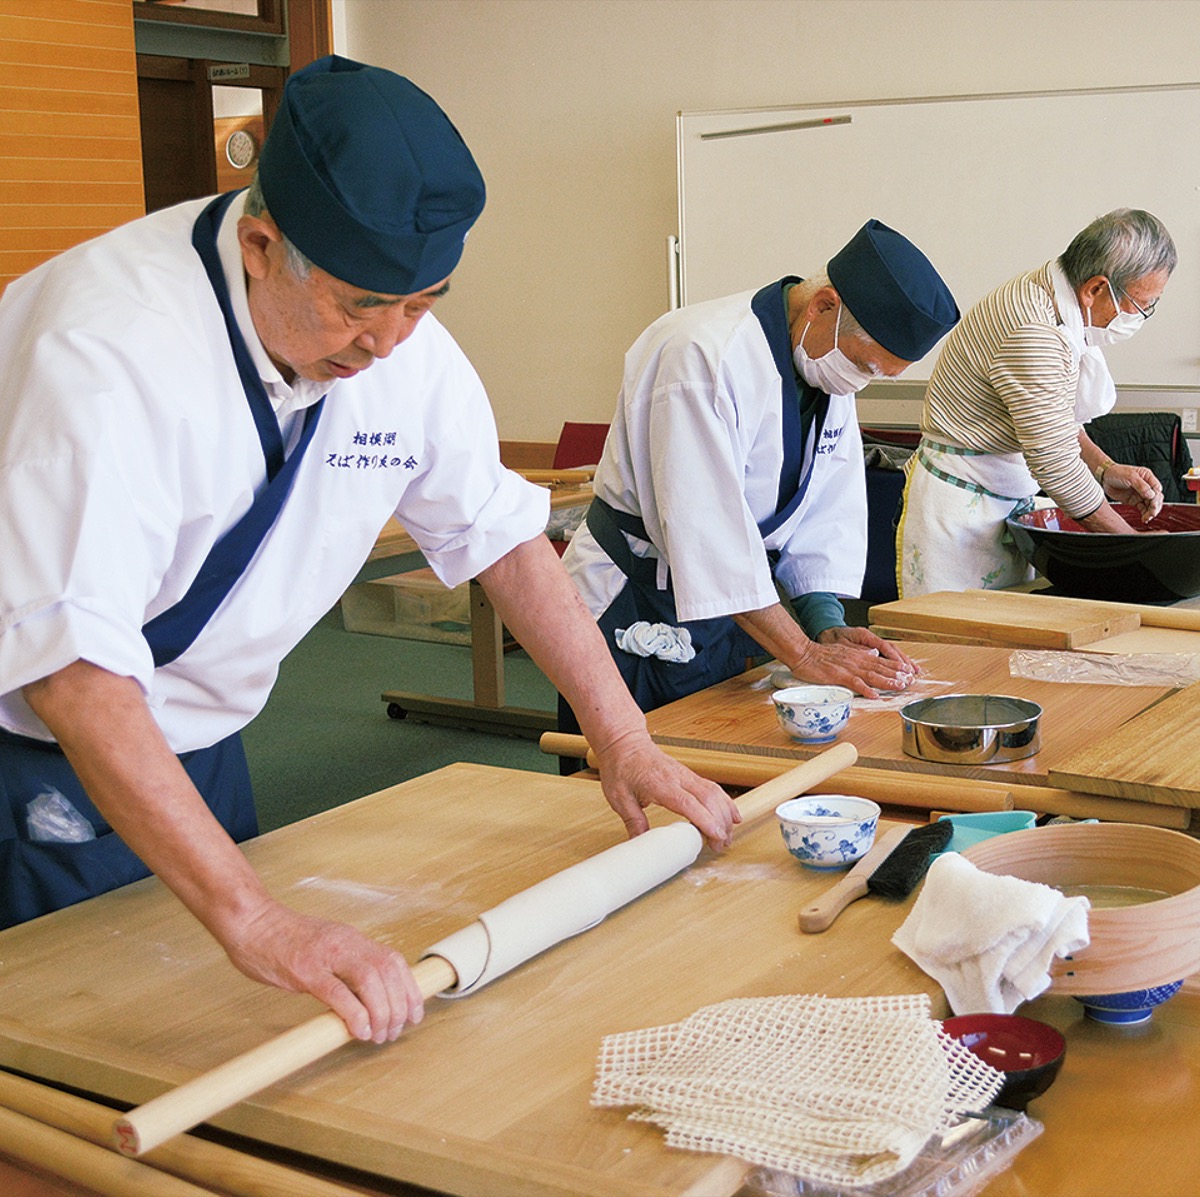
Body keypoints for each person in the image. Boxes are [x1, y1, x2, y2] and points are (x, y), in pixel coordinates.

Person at [0, 56, 740, 1043]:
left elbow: (504, 540)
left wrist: (623, 738)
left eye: (424, 303)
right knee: (72, 1046)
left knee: (221, 1011)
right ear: (261, 244)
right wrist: (254, 914)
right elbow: (76, 670)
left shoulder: (396, 344)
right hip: (35, 735)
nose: (390, 342)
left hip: (197, 725)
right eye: (360, 307)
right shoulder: (104, 354)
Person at [560, 219, 959, 722]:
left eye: (882, 374)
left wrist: (824, 623)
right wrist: (805, 654)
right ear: (823, 306)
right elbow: (704, 531)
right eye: (866, 365)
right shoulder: (702, 353)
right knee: (615, 774)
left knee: (715, 754)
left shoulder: (822, 360)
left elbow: (825, 507)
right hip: (634, 597)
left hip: (734, 608)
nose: (864, 383)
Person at [896, 208, 1174, 597]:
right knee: (954, 649)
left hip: (1002, 499)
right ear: (1095, 289)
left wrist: (1104, 467)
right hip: (960, 513)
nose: (1140, 317)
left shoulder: (1054, 295)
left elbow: (1051, 417)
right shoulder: (1036, 329)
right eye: (1140, 306)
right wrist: (1133, 543)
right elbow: (1055, 463)